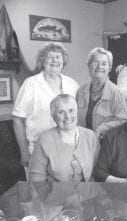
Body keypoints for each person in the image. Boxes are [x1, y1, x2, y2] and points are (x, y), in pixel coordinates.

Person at [12, 42, 79, 174]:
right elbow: (17, 120)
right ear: (42, 61)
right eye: (50, 57)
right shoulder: (30, 84)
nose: (55, 60)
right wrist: (24, 152)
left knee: (65, 191)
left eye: (58, 56)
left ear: (63, 60)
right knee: (39, 191)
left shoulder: (72, 84)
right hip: (38, 149)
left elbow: (78, 116)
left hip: (68, 148)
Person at [29, 94, 99, 182]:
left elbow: (98, 170)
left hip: (87, 192)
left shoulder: (90, 136)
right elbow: (36, 178)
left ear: (77, 112)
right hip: (56, 193)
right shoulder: (44, 140)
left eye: (71, 111)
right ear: (53, 116)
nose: (67, 116)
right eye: (61, 112)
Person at [76, 47, 127, 140]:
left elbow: (123, 119)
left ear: (110, 68)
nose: (99, 66)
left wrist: (103, 128)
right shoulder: (80, 91)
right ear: (88, 65)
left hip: (105, 142)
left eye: (104, 63)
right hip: (83, 142)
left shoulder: (116, 93)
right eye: (95, 62)